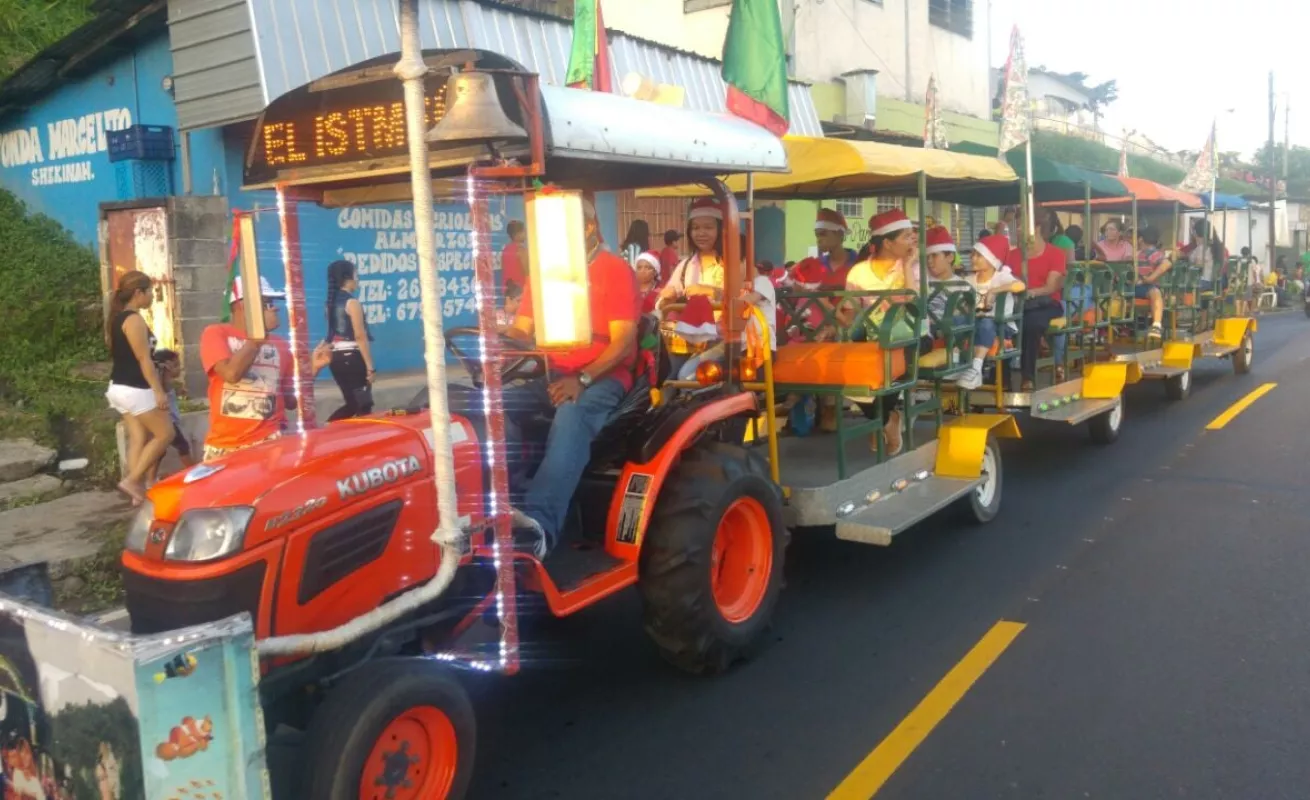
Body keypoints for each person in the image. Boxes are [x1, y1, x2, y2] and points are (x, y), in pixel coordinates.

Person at [505, 194, 639, 558]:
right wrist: (494, 341)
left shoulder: (614, 270)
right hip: (551, 373)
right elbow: (520, 330)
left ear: (590, 227)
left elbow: (624, 343)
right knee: (486, 404)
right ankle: (510, 494)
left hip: (603, 376)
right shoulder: (543, 276)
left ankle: (538, 526)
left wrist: (582, 379)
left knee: (571, 413)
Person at [200, 276, 331, 462]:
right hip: (225, 446)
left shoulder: (282, 346)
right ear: (244, 307)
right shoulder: (216, 334)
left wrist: (312, 369)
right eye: (267, 303)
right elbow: (231, 374)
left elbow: (290, 402)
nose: (275, 308)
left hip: (271, 443)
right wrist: (257, 338)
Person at [845, 209, 920, 456]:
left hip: (912, 335)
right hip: (871, 338)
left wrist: (908, 265)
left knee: (891, 364)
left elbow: (915, 305)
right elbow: (849, 311)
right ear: (887, 243)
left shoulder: (912, 267)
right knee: (848, 375)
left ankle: (882, 422)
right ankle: (888, 421)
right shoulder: (858, 272)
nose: (913, 241)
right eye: (907, 236)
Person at [105, 270, 169, 504]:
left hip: (118, 387)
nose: (152, 296)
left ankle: (137, 493)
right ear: (138, 293)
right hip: (135, 387)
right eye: (150, 291)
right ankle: (133, 480)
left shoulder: (118, 318)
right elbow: (143, 359)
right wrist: (158, 390)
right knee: (165, 434)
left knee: (139, 436)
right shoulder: (133, 320)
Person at [658, 198, 727, 375]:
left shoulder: (733, 264)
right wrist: (667, 297)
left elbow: (744, 298)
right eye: (695, 228)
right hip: (688, 339)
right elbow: (662, 302)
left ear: (721, 229)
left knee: (686, 376)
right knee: (663, 374)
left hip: (724, 339)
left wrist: (714, 292)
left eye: (708, 227)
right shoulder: (686, 265)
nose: (701, 233)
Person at [1005, 211, 1067, 390]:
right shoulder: (1014, 254)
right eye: (1016, 225)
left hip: (1046, 304)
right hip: (1017, 304)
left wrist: (1030, 292)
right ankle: (1000, 377)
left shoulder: (1055, 254)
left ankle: (1027, 376)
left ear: (1036, 227)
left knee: (1030, 324)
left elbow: (1052, 287)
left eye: (1020, 225)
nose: (1017, 229)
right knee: (998, 323)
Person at [957, 234, 1025, 390]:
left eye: (978, 255)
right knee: (957, 322)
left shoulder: (1001, 276)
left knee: (987, 323)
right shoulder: (969, 280)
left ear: (992, 259)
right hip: (977, 321)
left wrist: (995, 290)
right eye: (972, 254)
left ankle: (976, 368)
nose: (973, 258)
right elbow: (962, 305)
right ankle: (956, 364)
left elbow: (1020, 286)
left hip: (1001, 326)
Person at [324, 259, 376, 421]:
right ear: (348, 278)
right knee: (362, 404)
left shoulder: (329, 304)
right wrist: (370, 367)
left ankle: (331, 430)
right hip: (353, 358)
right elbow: (360, 336)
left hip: (336, 359)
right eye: (356, 275)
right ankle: (328, 429)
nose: (357, 279)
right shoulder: (352, 303)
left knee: (353, 403)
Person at [149, 349, 197, 478]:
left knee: (161, 451)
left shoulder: (168, 381)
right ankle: (194, 471)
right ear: (167, 366)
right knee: (183, 446)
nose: (179, 369)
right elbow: (163, 387)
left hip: (168, 419)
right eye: (176, 365)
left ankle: (150, 479)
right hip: (166, 420)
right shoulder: (161, 380)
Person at [1134, 225, 1173, 341]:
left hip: (1141, 285)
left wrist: (1150, 278)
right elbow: (1167, 263)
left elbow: (1166, 263)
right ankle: (1156, 323)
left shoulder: (1150, 253)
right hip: (1139, 285)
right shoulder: (1141, 253)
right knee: (1155, 292)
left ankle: (1156, 324)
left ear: (1141, 239)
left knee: (1155, 292)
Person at [815, 208, 858, 285]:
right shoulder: (817, 265)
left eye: (823, 234)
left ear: (840, 234)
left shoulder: (858, 263)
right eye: (817, 235)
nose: (819, 240)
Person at [501, 220, 528, 295]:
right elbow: (528, 272)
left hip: (509, 292)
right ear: (517, 234)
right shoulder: (522, 251)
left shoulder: (505, 250)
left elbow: (504, 270)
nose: (526, 234)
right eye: (524, 232)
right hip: (521, 291)